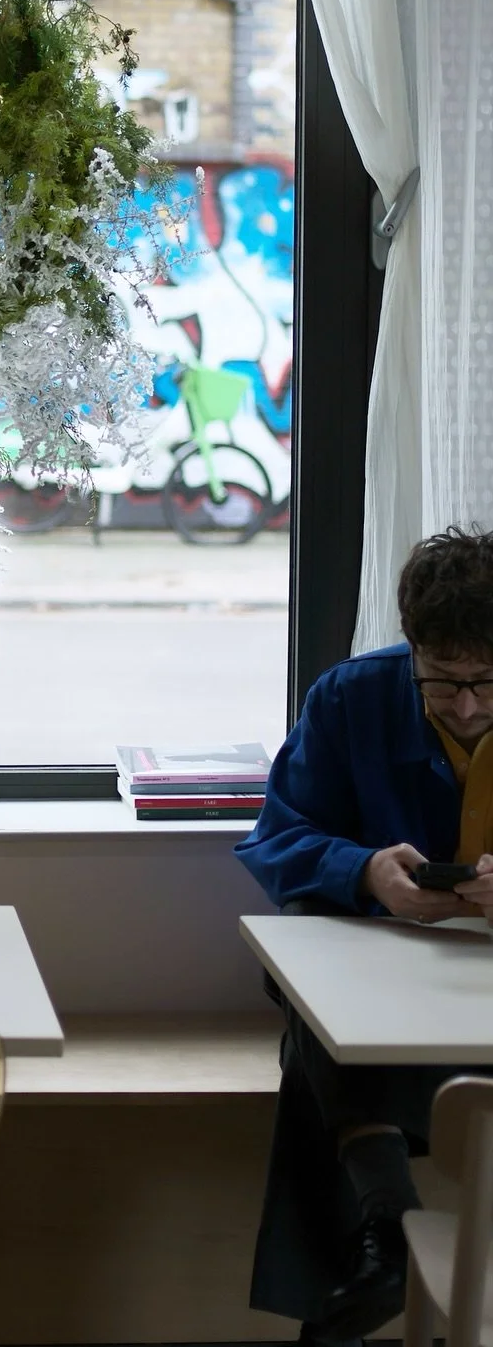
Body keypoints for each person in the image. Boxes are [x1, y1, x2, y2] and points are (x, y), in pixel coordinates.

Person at [237, 526, 493, 1344]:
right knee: (310, 973)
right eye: (444, 681)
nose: (468, 705)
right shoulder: (352, 696)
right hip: (384, 981)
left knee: (309, 1065)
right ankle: (383, 1234)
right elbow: (277, 838)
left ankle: (373, 1259)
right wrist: (364, 871)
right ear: (412, 646)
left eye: (489, 681)